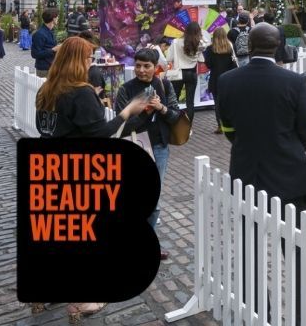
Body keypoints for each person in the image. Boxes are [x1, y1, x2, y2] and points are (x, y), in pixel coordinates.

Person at [33, 36, 149, 322]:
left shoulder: (47, 89)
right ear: (78, 62)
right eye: (87, 58)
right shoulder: (80, 92)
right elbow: (100, 132)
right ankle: (82, 301)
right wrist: (127, 111)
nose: (90, 62)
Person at [216, 23, 306, 325]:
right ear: (277, 46)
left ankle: (259, 312)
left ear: (249, 45)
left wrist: (249, 145)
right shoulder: (295, 82)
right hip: (289, 175)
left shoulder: (227, 80)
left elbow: (228, 127)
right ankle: (303, 317)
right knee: (295, 253)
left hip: (247, 172)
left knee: (251, 250)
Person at [114, 47, 183, 260]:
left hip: (159, 147)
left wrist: (160, 108)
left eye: (147, 66)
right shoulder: (126, 89)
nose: (141, 70)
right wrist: (145, 112)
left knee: (153, 201)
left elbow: (175, 116)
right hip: (135, 145)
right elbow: (122, 126)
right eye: (138, 65)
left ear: (156, 67)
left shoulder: (164, 85)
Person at [168, 22, 206, 124]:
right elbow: (201, 59)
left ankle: (174, 123)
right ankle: (188, 126)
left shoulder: (176, 42)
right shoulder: (200, 44)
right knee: (190, 102)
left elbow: (169, 58)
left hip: (178, 73)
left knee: (174, 99)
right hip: (192, 73)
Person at [203, 27, 239, 133]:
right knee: (229, 102)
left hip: (215, 78)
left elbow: (208, 65)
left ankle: (220, 125)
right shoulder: (230, 47)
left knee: (217, 103)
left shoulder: (210, 49)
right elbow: (234, 64)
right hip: (229, 78)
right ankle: (231, 123)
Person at [31, 8, 61, 77]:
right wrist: (53, 49)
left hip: (51, 67)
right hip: (44, 69)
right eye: (57, 17)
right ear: (53, 19)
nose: (58, 18)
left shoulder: (50, 31)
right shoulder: (40, 34)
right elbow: (35, 54)